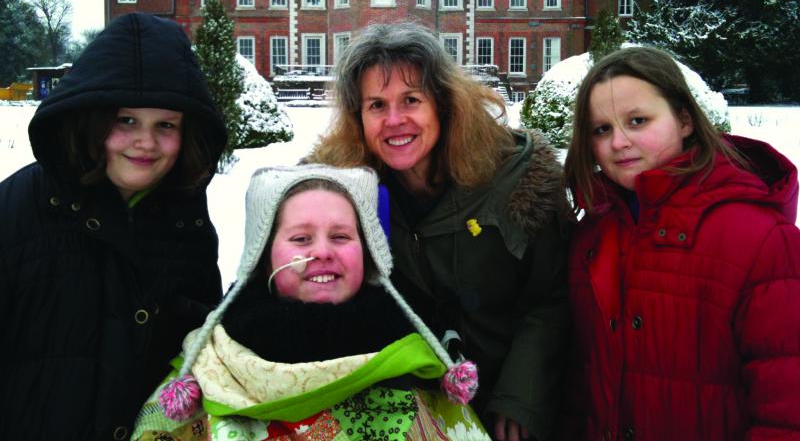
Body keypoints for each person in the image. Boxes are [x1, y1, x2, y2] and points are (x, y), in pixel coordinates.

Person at [307, 23, 571, 441]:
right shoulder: (337, 191)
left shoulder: (517, 179)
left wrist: (521, 397)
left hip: (508, 401)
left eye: (411, 100)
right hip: (405, 410)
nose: (394, 121)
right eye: (376, 105)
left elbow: (552, 299)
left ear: (443, 105)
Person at [133, 164, 490, 440]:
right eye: (301, 238)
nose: (322, 251)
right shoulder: (208, 369)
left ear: (367, 255)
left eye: (340, 236)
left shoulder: (419, 366)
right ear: (265, 256)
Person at [0, 13, 227, 438]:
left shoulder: (187, 225)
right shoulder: (15, 214)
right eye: (126, 121)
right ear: (91, 119)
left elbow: (198, 353)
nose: (145, 142)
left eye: (165, 125)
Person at [563, 46, 800, 440]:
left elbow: (788, 406)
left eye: (638, 121)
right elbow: (580, 382)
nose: (618, 142)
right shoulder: (592, 234)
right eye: (601, 129)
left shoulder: (760, 238)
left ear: (685, 120)